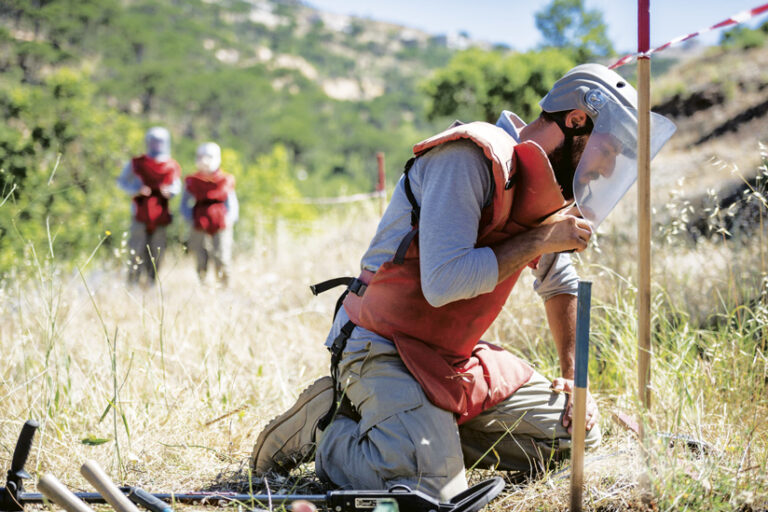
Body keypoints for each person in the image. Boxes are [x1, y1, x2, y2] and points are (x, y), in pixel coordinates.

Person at [251, 64, 674, 501]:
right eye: (609, 150)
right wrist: (541, 238)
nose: (606, 169)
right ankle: (328, 431)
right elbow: (443, 281)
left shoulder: (548, 186)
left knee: (573, 437)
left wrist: (570, 380)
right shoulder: (468, 158)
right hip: (383, 347)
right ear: (576, 121)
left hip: (450, 359)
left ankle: (424, 437)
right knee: (429, 492)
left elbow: (557, 275)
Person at [117, 127, 181, 285]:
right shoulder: (137, 163)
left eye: (160, 142)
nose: (157, 145)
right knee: (136, 248)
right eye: (154, 141)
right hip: (140, 213)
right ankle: (133, 283)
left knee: (157, 250)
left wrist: (169, 192)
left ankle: (152, 282)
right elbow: (122, 181)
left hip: (161, 214)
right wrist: (136, 190)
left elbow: (176, 186)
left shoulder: (171, 165)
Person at [180, 142, 238, 285]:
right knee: (200, 255)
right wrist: (191, 219)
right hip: (199, 221)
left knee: (222, 256)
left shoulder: (224, 180)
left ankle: (224, 285)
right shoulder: (192, 181)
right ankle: (203, 283)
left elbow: (231, 203)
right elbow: (184, 204)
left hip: (220, 221)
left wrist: (230, 219)